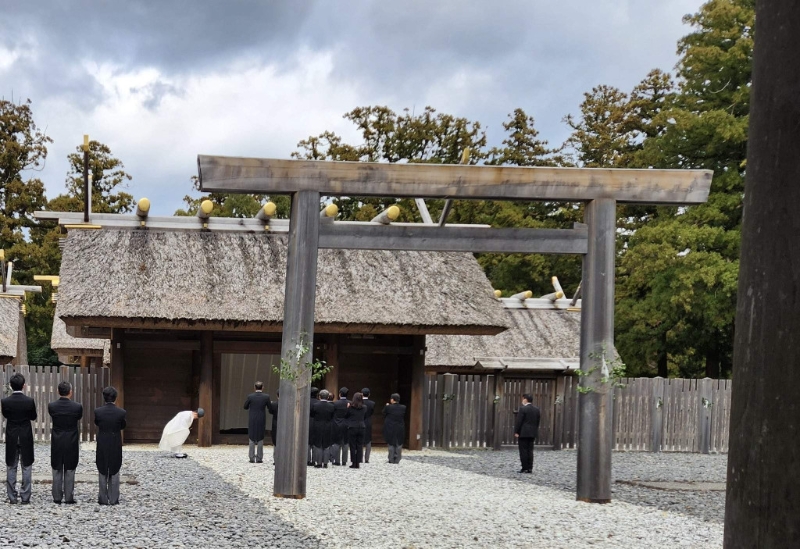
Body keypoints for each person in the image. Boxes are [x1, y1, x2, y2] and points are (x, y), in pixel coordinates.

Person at [2, 373, 37, 504]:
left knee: (11, 465)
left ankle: (12, 496)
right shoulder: (29, 401)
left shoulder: (5, 401)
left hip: (12, 434)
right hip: (25, 434)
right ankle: (25, 495)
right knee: (26, 465)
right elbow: (33, 416)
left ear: (11, 386)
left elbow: (6, 415)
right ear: (24, 385)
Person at [48, 381, 83, 504]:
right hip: (71, 438)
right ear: (70, 392)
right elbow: (78, 417)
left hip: (57, 438)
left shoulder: (52, 406)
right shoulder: (77, 407)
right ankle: (69, 496)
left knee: (57, 467)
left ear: (58, 392)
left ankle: (57, 496)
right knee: (70, 467)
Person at [94, 386, 126, 505]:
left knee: (102, 466)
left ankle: (103, 497)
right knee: (115, 466)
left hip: (102, 439)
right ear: (115, 398)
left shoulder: (98, 411)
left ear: (104, 397)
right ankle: (113, 498)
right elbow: (122, 426)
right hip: (115, 440)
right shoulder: (121, 412)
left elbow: (97, 423)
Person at [244, 382, 271, 463]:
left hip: (252, 418)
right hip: (261, 418)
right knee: (260, 437)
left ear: (254, 387)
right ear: (262, 387)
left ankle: (251, 457)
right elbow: (270, 407)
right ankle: (259, 458)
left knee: (251, 437)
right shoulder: (266, 397)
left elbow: (245, 406)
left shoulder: (250, 396)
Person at [514, 393, 541, 474]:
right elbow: (537, 421)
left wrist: (516, 431)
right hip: (532, 432)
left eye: (523, 399)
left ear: (525, 399)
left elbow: (519, 421)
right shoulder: (537, 409)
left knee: (523, 450)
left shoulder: (522, 409)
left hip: (523, 432)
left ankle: (524, 468)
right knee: (530, 450)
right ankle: (530, 468)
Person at [310, 389, 335, 468]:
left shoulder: (316, 405)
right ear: (328, 397)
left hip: (317, 425)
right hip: (328, 425)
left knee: (318, 444)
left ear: (319, 396)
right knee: (326, 445)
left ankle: (319, 462)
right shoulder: (332, 406)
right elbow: (332, 416)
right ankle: (325, 463)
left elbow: (312, 414)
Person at [383, 393, 406, 464]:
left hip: (390, 426)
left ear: (392, 400)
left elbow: (384, 413)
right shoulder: (403, 407)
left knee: (391, 443)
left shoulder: (388, 407)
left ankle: (391, 459)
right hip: (400, 427)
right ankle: (397, 459)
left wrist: (386, 406)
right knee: (399, 443)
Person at [345, 392, 366, 469]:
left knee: (353, 445)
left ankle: (354, 462)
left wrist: (348, 408)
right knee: (360, 445)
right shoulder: (364, 407)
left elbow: (346, 416)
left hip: (352, 427)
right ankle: (358, 462)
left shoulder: (351, 407)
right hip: (361, 426)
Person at [331, 387, 350, 465]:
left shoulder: (335, 403)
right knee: (345, 442)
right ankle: (344, 461)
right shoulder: (350, 403)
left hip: (337, 423)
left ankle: (337, 460)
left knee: (336, 442)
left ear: (339, 394)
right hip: (347, 424)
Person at [361, 388, 375, 464]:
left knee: (360, 439)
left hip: (360, 421)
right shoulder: (372, 403)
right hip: (368, 421)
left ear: (361, 394)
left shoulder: (359, 402)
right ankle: (367, 458)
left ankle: (360, 457)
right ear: (369, 394)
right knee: (368, 440)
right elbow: (372, 412)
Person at [308, 386, 319, 466]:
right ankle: (314, 459)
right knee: (315, 442)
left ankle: (307, 459)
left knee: (307, 442)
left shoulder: (306, 402)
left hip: (307, 421)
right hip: (316, 422)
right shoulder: (318, 403)